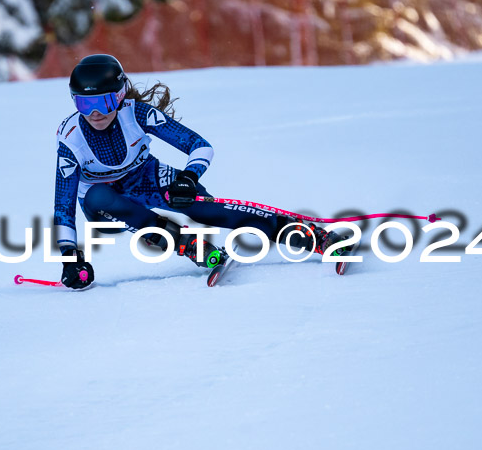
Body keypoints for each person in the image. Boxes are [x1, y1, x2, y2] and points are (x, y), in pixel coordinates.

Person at [54, 54, 346, 289]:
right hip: (104, 207)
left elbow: (200, 145)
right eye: (84, 103)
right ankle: (187, 245)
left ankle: (314, 238)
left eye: (103, 101)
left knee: (207, 209)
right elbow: (64, 206)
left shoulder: (138, 113)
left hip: (145, 178)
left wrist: (188, 178)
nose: (94, 113)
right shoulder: (71, 137)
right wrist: (71, 258)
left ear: (119, 96)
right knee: (100, 194)